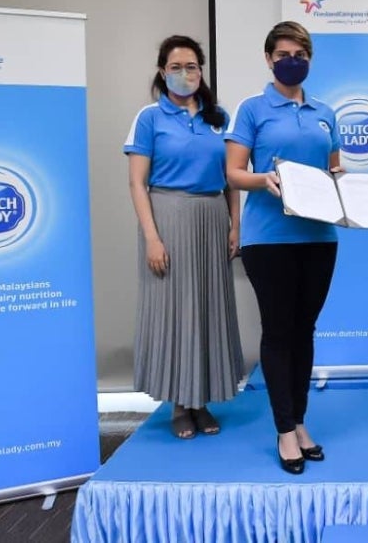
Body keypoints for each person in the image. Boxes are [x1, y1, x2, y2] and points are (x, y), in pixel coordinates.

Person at [225, 21, 340, 475]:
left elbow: (335, 170)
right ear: (269, 58)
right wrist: (265, 180)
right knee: (277, 332)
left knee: (304, 331)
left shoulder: (325, 112)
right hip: (268, 238)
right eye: (284, 53)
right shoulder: (253, 109)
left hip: (319, 237)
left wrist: (351, 188)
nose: (292, 60)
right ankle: (284, 430)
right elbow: (234, 173)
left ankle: (300, 420)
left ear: (309, 59)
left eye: (301, 53)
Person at [124, 34, 243, 440]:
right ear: (162, 72)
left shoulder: (218, 117)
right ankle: (178, 404)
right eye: (175, 67)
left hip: (212, 220)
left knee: (207, 309)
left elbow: (231, 178)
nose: (184, 73)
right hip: (169, 219)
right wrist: (152, 238)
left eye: (191, 66)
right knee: (176, 312)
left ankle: (202, 400)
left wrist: (235, 224)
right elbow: (137, 184)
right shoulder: (149, 118)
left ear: (201, 71)